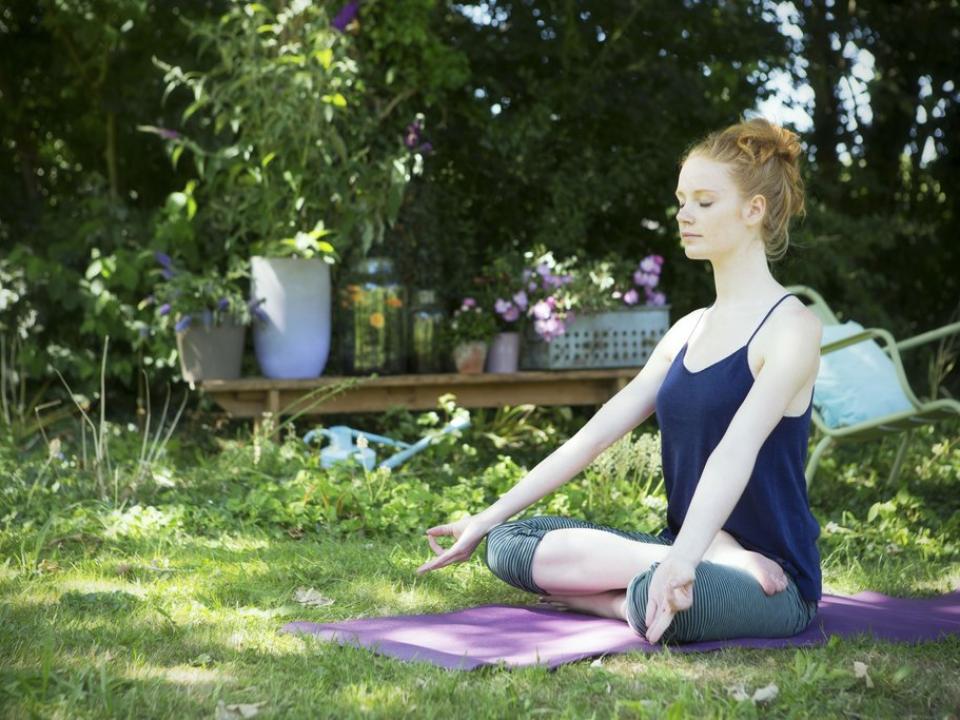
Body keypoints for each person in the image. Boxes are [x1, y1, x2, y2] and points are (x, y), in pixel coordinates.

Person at [416, 116, 823, 645]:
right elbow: (594, 437)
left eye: (704, 201)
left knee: (673, 608)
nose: (685, 215)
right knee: (508, 540)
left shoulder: (792, 328)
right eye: (681, 200)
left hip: (774, 583)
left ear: (754, 210)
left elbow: (735, 451)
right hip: (679, 550)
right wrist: (485, 516)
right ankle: (693, 561)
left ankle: (633, 589)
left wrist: (680, 566)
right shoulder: (686, 331)